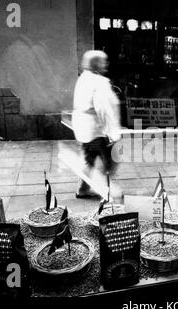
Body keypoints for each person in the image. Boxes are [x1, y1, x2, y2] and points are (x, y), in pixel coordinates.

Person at [72, 50, 121, 198]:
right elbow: (104, 109)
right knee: (111, 160)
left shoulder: (83, 78)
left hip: (83, 127)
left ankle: (83, 188)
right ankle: (107, 189)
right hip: (97, 129)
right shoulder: (99, 82)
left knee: (89, 159)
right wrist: (112, 133)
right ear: (96, 64)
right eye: (103, 61)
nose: (106, 64)